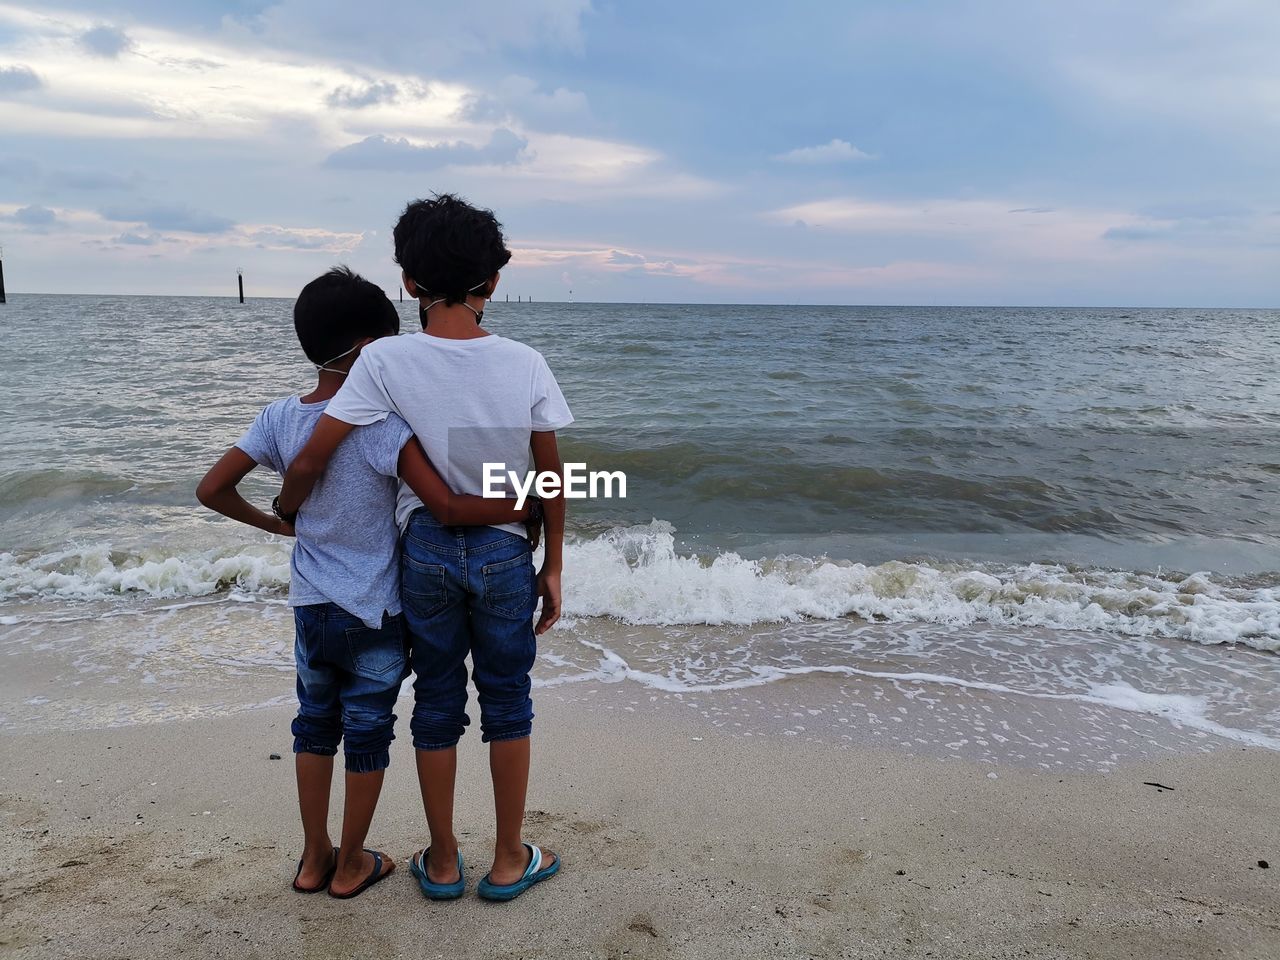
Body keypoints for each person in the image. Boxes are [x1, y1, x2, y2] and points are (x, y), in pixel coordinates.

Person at [196, 266, 534, 899]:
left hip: (311, 607)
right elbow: (448, 505)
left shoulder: (278, 418)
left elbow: (212, 489)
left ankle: (312, 859)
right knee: (368, 733)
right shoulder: (381, 424)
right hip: (375, 610)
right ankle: (352, 861)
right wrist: (523, 506)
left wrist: (277, 525)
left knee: (313, 726)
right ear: (370, 350)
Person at [278, 195, 571, 902]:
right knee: (508, 700)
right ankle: (507, 858)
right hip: (504, 551)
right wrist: (554, 564)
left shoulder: (384, 363)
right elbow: (552, 474)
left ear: (408, 283)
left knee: (436, 701)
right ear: (493, 280)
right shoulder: (525, 362)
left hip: (426, 553)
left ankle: (442, 860)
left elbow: (319, 452)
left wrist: (287, 507)